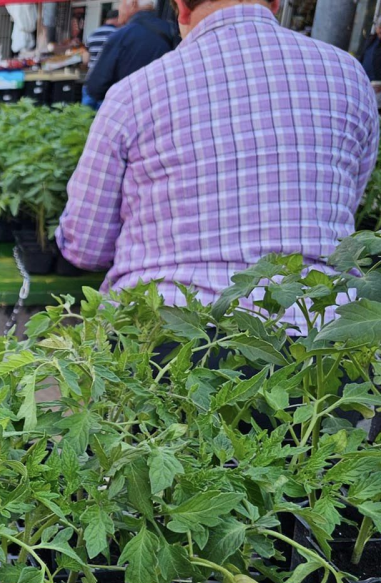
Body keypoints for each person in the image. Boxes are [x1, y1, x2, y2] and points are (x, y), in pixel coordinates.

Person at [57, 0, 378, 333]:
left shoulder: (135, 93)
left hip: (166, 338)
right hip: (320, 341)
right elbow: (347, 202)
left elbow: (85, 246)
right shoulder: (348, 75)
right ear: (276, 3)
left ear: (180, 8)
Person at [84, 0, 177, 104]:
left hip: (127, 109)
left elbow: (95, 87)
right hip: (163, 107)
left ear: (133, 3)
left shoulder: (121, 37)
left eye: (120, 3)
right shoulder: (173, 31)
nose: (118, 8)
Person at [82, 8, 122, 107]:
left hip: (90, 80)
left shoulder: (92, 34)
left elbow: (85, 60)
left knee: (83, 117)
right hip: (108, 84)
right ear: (117, 19)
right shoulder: (119, 35)